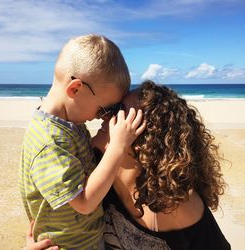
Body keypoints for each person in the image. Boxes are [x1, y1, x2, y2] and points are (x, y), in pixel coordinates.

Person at [25, 80, 231, 250]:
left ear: (149, 139)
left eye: (119, 111)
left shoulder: (175, 205)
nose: (103, 115)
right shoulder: (93, 169)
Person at [19, 34, 145, 250]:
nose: (102, 117)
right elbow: (84, 203)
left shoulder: (70, 125)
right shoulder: (49, 141)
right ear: (75, 89)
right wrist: (117, 146)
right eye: (104, 109)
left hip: (86, 238)